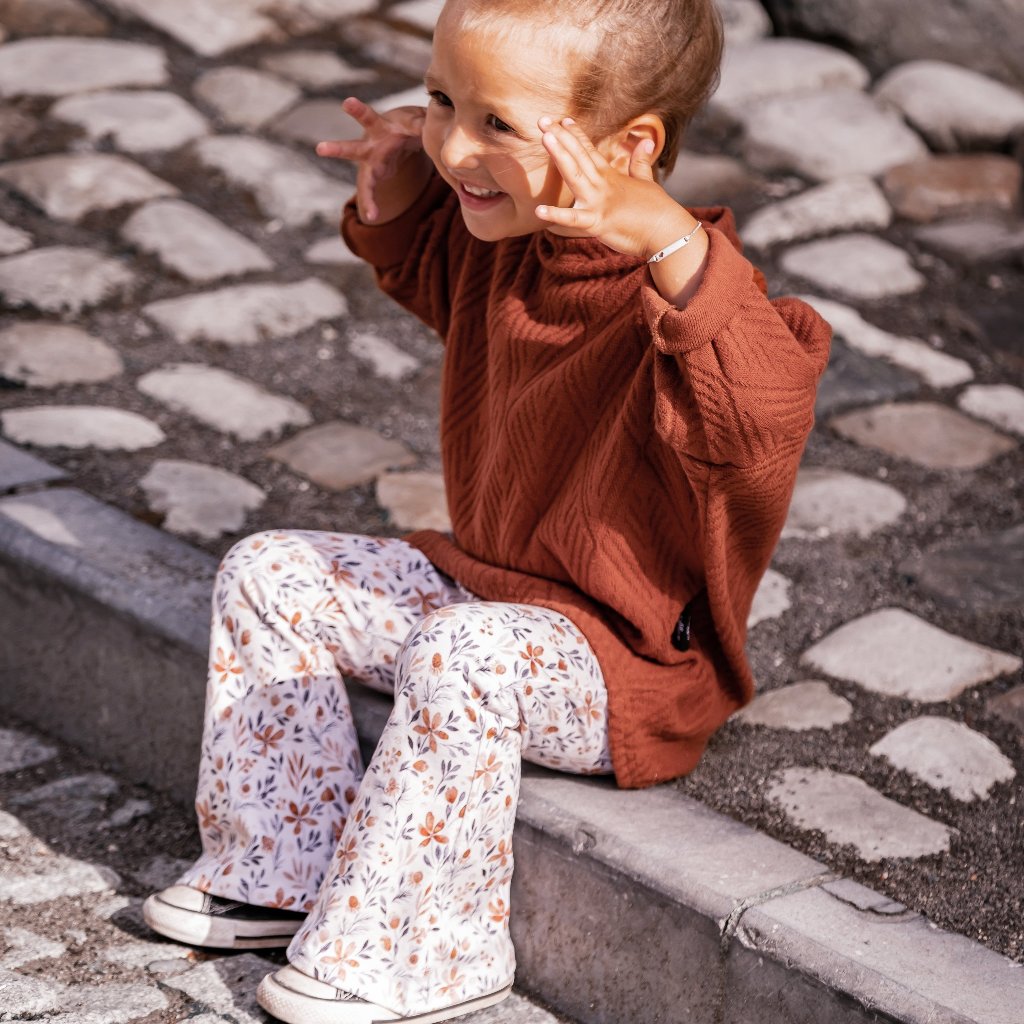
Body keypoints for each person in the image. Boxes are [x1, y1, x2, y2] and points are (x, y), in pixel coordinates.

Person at [143, 0, 831, 1021]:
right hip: (486, 598)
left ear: (632, 147)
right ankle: (276, 872)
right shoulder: (509, 246)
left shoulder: (706, 307)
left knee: (461, 655)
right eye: (440, 100)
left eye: (496, 123)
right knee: (269, 573)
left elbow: (758, 418)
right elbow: (429, 267)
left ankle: (427, 951)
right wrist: (398, 192)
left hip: (625, 667)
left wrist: (668, 239)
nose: (455, 144)